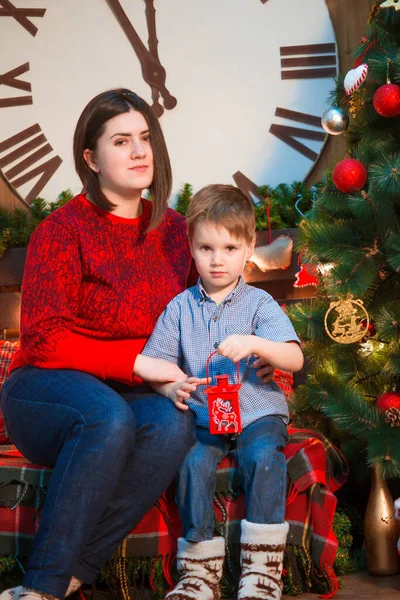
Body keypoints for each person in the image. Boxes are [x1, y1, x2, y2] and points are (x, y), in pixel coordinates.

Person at [0, 91, 274, 600]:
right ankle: (40, 586)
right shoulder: (60, 232)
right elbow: (43, 337)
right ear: (91, 158)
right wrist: (141, 363)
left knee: (173, 423)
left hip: (129, 390)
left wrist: (252, 359)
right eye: (121, 141)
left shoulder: (173, 233)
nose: (139, 151)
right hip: (43, 392)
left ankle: (77, 570)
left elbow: (206, 309)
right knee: (106, 415)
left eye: (145, 138)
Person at [142, 184, 304, 600]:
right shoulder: (179, 308)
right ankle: (198, 571)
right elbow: (154, 363)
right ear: (191, 247)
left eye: (230, 248)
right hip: (201, 415)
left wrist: (255, 344)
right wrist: (171, 385)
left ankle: (263, 569)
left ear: (249, 247)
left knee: (262, 455)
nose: (217, 260)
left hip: (257, 411)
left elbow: (293, 359)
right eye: (206, 248)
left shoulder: (259, 303)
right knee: (192, 460)